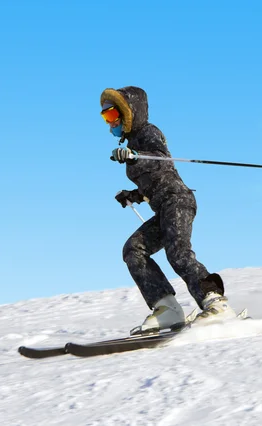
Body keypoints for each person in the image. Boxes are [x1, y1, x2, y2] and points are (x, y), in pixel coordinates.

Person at [99, 86, 236, 335]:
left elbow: (160, 157)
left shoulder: (149, 133)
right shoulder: (131, 144)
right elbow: (153, 182)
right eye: (106, 118)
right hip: (163, 207)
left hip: (178, 201)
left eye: (112, 116)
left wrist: (135, 156)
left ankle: (216, 302)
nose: (111, 123)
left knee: (178, 253)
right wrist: (133, 194)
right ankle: (167, 308)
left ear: (129, 113)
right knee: (133, 250)